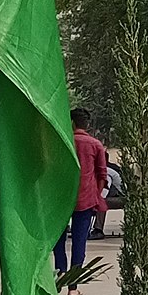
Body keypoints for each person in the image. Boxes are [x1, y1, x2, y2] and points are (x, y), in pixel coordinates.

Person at [56, 109, 108, 281]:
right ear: (88, 125)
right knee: (79, 242)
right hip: (85, 199)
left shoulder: (62, 141)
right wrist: (95, 194)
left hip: (61, 199)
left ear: (71, 123)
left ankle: (60, 274)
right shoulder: (95, 145)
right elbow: (102, 174)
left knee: (59, 240)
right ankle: (73, 285)